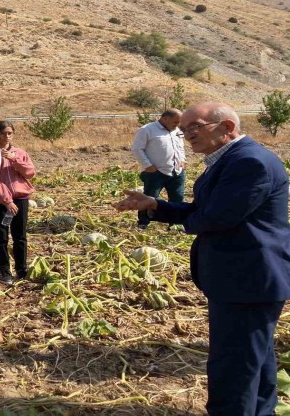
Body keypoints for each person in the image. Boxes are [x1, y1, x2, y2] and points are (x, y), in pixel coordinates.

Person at [112, 103, 290, 416]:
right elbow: (206, 210)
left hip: (247, 279)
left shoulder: (249, 162)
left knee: (233, 367)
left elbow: (217, 217)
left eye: (196, 126)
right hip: (246, 278)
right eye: (184, 127)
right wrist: (157, 205)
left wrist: (190, 220)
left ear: (227, 128)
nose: (186, 133)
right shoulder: (231, 159)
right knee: (254, 360)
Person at [0, 121, 36, 284]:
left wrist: (14, 160)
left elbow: (30, 173)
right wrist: (7, 201)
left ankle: (21, 269)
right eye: (3, 133)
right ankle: (4, 271)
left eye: (10, 133)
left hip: (21, 199)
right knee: (1, 236)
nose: (7, 136)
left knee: (20, 236)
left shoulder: (20, 153)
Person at [131, 109, 186, 229]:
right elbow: (137, 149)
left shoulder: (176, 130)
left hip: (177, 171)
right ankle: (143, 222)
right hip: (156, 173)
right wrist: (148, 165)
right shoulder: (147, 130)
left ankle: (174, 224)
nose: (177, 124)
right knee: (150, 197)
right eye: (175, 121)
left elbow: (180, 147)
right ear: (165, 118)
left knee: (178, 198)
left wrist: (182, 159)